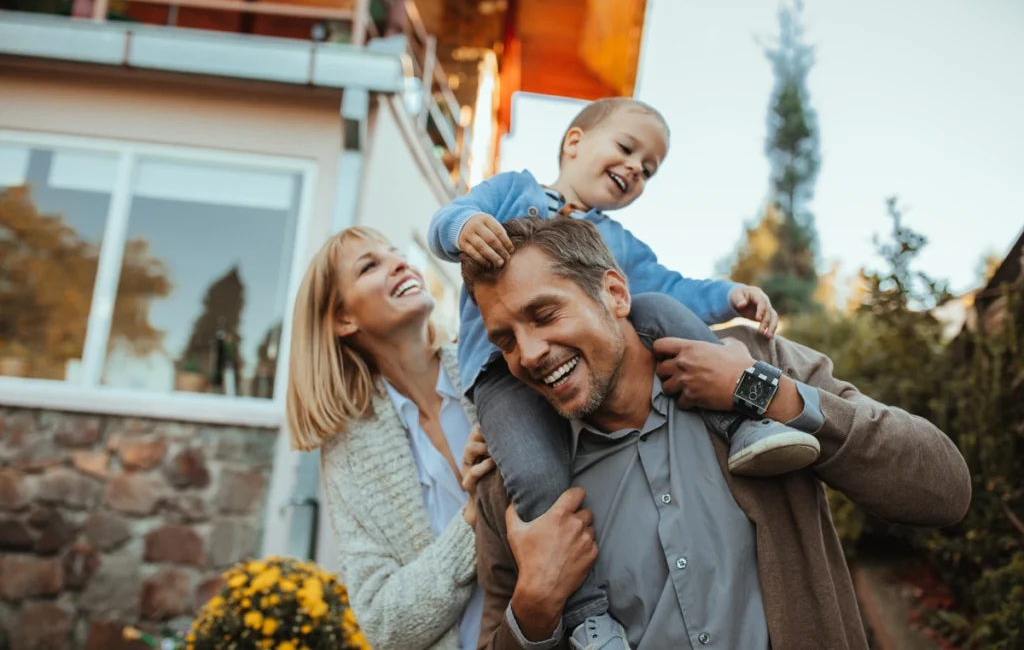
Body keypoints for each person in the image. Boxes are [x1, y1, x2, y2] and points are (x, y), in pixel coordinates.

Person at [462, 216, 972, 650]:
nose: (528, 354)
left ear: (615, 294)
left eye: (545, 314)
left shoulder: (754, 363)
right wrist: (533, 609)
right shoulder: (510, 486)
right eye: (505, 340)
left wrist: (764, 393)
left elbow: (943, 491)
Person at [428, 97, 818, 648]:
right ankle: (587, 613)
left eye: (650, 169)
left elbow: (675, 286)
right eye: (628, 148)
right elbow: (446, 217)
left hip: (593, 356)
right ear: (574, 143)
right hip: (501, 376)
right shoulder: (512, 189)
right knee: (537, 478)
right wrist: (464, 227)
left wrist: (728, 294)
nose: (637, 168)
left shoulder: (621, 246)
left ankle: (745, 423)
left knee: (659, 309)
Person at [285, 226, 496, 650]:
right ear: (344, 318)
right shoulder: (350, 453)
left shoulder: (490, 373)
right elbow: (383, 624)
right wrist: (474, 518)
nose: (400, 263)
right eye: (370, 266)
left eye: (396, 253)